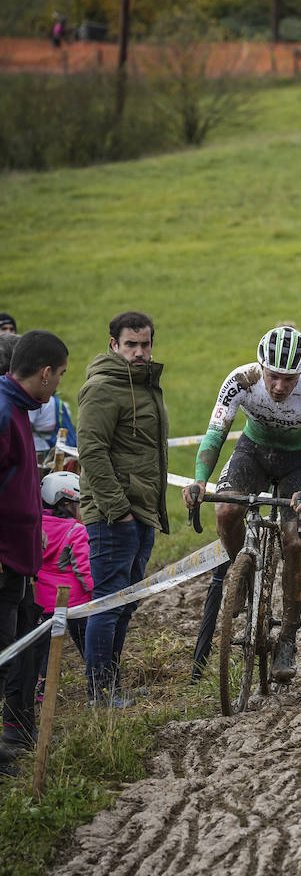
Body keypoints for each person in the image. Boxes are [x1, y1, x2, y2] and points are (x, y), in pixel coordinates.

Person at [184, 326, 301, 683]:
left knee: (295, 542)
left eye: (288, 379)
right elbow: (216, 432)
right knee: (226, 510)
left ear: (300, 375)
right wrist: (200, 479)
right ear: (261, 367)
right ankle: (243, 574)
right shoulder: (241, 380)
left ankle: (288, 638)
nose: (280, 386)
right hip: (254, 451)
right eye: (273, 376)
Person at [77, 312, 168, 705]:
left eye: (145, 344)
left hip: (141, 510)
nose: (139, 352)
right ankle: (99, 693)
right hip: (114, 513)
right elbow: (91, 452)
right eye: (131, 344)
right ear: (113, 345)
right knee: (109, 600)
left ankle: (112, 686)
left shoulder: (145, 384)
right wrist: (118, 509)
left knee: (125, 602)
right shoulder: (102, 388)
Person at [1, 330, 67, 770]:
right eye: (59, 375)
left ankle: (14, 732)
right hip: (4, 560)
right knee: (3, 653)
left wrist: (37, 526)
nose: (59, 384)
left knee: (17, 650)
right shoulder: (5, 413)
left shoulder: (18, 409)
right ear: (44, 373)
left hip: (21, 555)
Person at [33, 471, 93, 709]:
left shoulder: (36, 529)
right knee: (87, 644)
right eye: (79, 504)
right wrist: (96, 593)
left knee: (43, 653)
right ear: (66, 503)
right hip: (76, 602)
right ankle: (99, 682)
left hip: (43, 603)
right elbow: (84, 567)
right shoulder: (76, 530)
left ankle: (40, 691)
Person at [30, 391, 76, 456]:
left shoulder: (37, 401)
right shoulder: (56, 401)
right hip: (52, 446)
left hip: (38, 448)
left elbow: (25, 426)